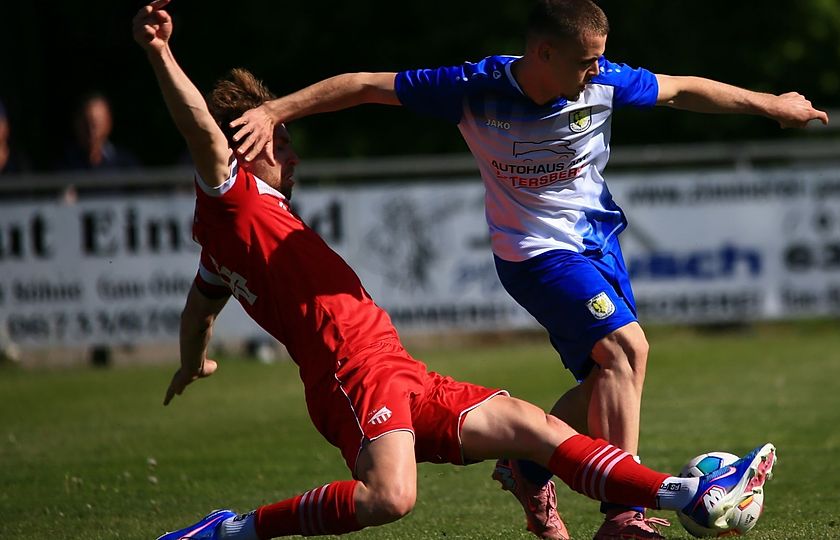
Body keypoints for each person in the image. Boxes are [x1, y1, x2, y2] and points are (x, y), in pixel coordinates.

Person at [134, 1, 777, 539]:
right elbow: (202, 132)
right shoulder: (233, 200)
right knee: (391, 497)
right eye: (281, 148)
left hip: (395, 364)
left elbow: (200, 307)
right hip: (353, 373)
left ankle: (673, 492)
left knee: (534, 428)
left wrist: (193, 361)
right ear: (240, 151)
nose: (293, 159)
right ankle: (233, 532)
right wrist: (162, 53)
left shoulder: (226, 248)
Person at [60, 92, 140, 171]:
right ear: (76, 123)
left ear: (108, 122)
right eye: (86, 122)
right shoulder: (62, 165)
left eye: (97, 123)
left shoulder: (126, 164)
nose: (91, 130)